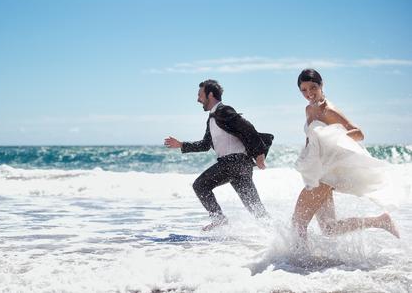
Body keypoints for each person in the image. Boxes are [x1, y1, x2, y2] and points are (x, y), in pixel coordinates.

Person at [292, 68, 400, 240]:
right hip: (315, 172)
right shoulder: (309, 109)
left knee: (298, 224)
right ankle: (380, 221)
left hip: (323, 176)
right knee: (329, 228)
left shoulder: (329, 110)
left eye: (313, 87)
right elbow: (311, 137)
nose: (309, 93)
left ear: (321, 85)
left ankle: (296, 262)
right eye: (304, 90)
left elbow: (358, 133)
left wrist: (332, 140)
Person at [164, 79, 274, 231]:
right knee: (255, 208)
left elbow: (248, 128)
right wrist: (181, 145)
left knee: (200, 185)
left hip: (233, 162)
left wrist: (260, 154)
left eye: (200, 95)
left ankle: (219, 219)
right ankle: (281, 235)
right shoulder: (213, 117)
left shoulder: (223, 111)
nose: (198, 99)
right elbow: (205, 145)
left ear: (210, 94)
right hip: (240, 166)